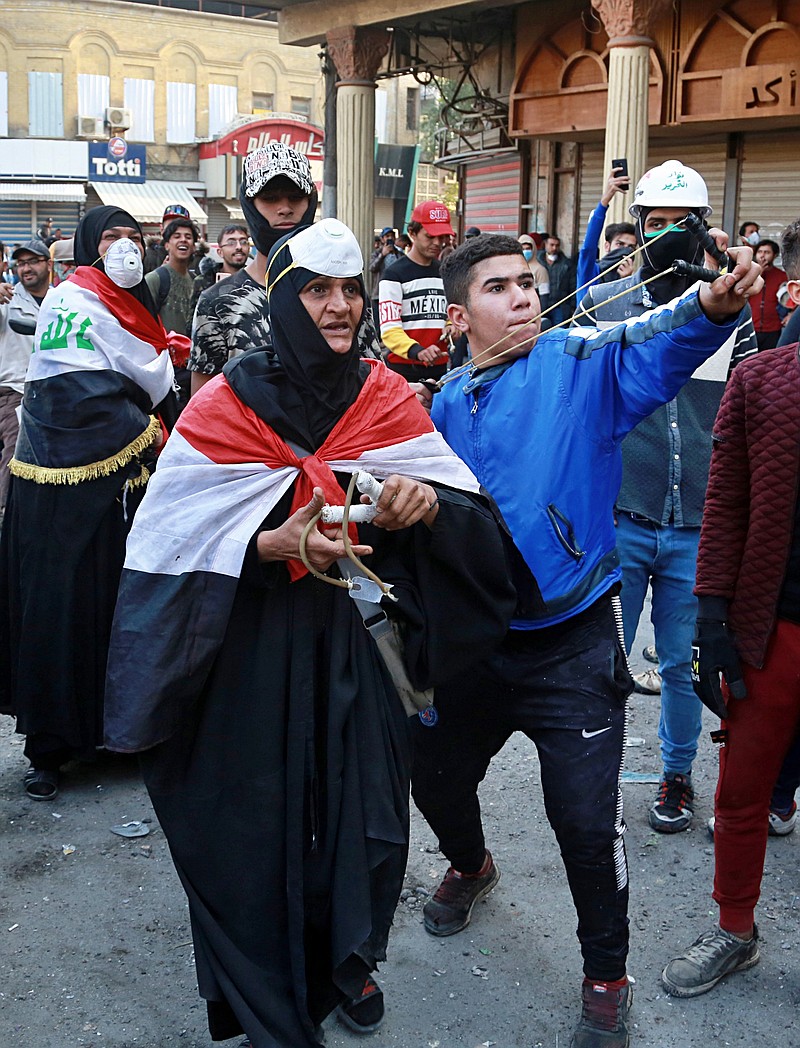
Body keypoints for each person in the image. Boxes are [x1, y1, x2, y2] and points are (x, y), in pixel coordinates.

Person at [102, 218, 514, 1048]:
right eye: (317, 290)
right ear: (285, 299)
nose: (337, 305)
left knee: (366, 823)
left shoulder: (387, 396)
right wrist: (268, 542)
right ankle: (267, 999)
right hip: (243, 654)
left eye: (349, 289)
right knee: (252, 829)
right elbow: (165, 534)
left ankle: (345, 964)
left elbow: (471, 517)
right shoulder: (226, 401)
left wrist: (425, 507)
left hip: (358, 646)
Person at [411, 231, 762, 1048]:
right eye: (499, 288)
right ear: (460, 315)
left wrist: (713, 307)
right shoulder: (444, 403)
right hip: (478, 642)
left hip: (572, 639)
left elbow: (656, 355)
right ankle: (471, 865)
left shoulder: (578, 361)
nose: (525, 297)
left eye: (529, 282)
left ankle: (606, 974)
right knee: (433, 777)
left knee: (583, 822)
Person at [573, 160, 758, 834]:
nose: (666, 234)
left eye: (680, 223)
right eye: (653, 223)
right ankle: (595, 781)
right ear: (638, 229)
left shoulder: (730, 315)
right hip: (622, 516)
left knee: (682, 666)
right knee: (604, 666)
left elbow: (743, 421)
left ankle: (677, 778)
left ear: (701, 228)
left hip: (696, 527)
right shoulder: (606, 307)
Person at [661, 215, 800, 1000]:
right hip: (770, 628)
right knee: (741, 790)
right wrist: (711, 622)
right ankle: (735, 930)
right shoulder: (763, 381)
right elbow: (725, 509)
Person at [0, 206, 178, 801]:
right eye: (110, 238)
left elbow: (155, 382)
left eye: (133, 238)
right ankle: (51, 747)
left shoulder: (140, 305)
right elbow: (66, 390)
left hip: (127, 489)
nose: (124, 248)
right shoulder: (70, 301)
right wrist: (138, 424)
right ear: (85, 246)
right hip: (61, 487)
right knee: (60, 609)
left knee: (123, 607)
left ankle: (119, 735)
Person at [187, 142, 319, 396]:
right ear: (250, 204)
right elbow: (202, 411)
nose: (285, 208)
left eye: (296, 196)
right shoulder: (216, 302)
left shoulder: (345, 292)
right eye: (269, 198)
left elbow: (371, 385)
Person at [0, 239, 51, 517]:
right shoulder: (7, 298)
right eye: (20, 263)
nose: (26, 268)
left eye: (32, 261)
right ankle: (6, 513)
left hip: (56, 390)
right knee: (17, 443)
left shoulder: (63, 297)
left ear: (48, 264)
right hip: (15, 392)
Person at [378, 201, 454, 381]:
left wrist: (452, 327)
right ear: (412, 233)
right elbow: (390, 330)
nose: (438, 243)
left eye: (442, 237)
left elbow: (451, 312)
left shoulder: (445, 272)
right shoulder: (394, 274)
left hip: (440, 368)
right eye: (430, 236)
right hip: (404, 370)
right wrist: (417, 351)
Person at [576, 166, 637, 291]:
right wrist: (605, 200)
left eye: (630, 247)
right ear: (607, 246)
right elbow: (588, 247)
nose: (625, 251)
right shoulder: (593, 272)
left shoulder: (635, 279)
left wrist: (626, 280)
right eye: (620, 244)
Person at [188, 222, 250, 317]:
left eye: (243, 242)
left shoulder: (256, 280)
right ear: (220, 252)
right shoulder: (204, 282)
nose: (239, 247)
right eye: (231, 243)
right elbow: (193, 322)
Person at [749, 238, 785, 350]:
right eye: (760, 252)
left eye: (767, 252)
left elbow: (791, 299)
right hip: (751, 327)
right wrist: (759, 272)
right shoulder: (748, 274)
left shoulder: (782, 276)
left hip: (773, 329)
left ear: (774, 255)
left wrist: (791, 314)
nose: (762, 256)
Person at [537, 233, 576, 323]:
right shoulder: (538, 262)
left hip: (559, 306)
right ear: (545, 244)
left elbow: (573, 286)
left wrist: (572, 307)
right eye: (552, 245)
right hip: (541, 305)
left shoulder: (566, 264)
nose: (554, 248)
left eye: (557, 245)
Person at [143, 203, 192, 275]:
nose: (176, 232)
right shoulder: (147, 256)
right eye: (170, 227)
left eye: (181, 227)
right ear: (162, 229)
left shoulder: (197, 258)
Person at [369, 226, 404, 321]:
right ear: (382, 239)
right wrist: (382, 255)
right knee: (378, 324)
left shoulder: (400, 254)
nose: (390, 238)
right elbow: (372, 268)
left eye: (392, 236)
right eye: (387, 236)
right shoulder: (377, 253)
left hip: (396, 294)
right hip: (379, 294)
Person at [518, 234, 551, 313]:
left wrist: (538, 314)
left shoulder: (540, 270)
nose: (525, 251)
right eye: (523, 249)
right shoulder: (514, 268)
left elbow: (544, 296)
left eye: (528, 248)